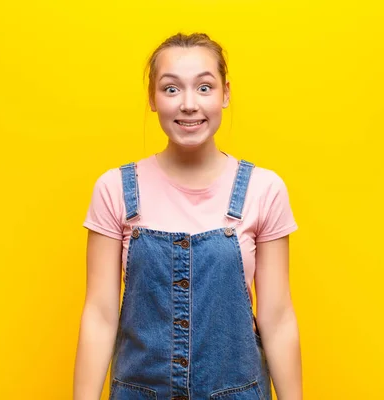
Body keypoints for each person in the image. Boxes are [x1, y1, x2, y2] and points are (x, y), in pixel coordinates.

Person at [74, 32, 302, 400]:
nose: (189, 104)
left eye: (205, 88)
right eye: (171, 89)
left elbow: (277, 319)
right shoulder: (114, 188)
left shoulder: (264, 189)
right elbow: (99, 315)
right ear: (152, 98)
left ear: (226, 94)